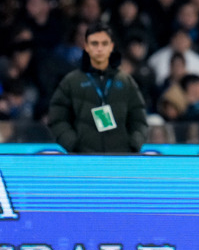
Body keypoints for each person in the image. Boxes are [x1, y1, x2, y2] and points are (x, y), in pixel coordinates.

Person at [48, 22, 148, 153]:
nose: (99, 49)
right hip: (83, 159)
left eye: (104, 44)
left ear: (111, 47)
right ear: (87, 47)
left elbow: (139, 119)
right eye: (95, 44)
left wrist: (133, 143)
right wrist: (72, 143)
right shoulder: (72, 81)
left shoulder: (125, 81)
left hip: (120, 158)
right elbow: (57, 118)